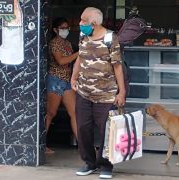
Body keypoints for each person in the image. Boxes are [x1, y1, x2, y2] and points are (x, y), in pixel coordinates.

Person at [71, 7, 126, 179]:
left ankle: (106, 165)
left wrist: (121, 92)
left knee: (107, 131)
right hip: (84, 93)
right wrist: (73, 78)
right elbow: (80, 58)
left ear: (93, 23)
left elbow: (117, 66)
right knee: (83, 128)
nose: (80, 23)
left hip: (106, 95)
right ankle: (89, 163)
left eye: (83, 21)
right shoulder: (83, 36)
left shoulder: (111, 38)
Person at [45, 17, 79, 154]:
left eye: (67, 28)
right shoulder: (54, 43)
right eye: (63, 28)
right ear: (55, 29)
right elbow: (61, 61)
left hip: (67, 81)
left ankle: (83, 145)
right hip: (55, 80)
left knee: (75, 113)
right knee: (50, 113)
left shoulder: (67, 44)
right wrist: (79, 53)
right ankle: (41, 144)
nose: (65, 30)